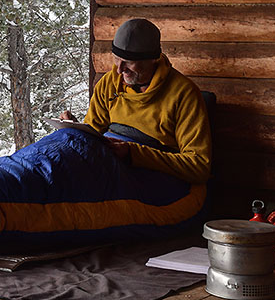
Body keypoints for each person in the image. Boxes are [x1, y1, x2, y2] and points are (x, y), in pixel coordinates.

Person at [60, 18, 212, 184]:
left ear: (153, 59)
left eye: (129, 62)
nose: (119, 69)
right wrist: (76, 130)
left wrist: (133, 153)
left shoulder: (184, 94)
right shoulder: (109, 83)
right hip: (107, 159)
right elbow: (93, 135)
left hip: (150, 174)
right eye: (116, 59)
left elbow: (199, 167)